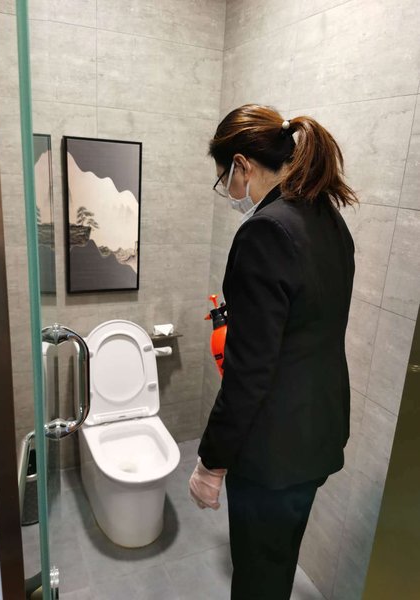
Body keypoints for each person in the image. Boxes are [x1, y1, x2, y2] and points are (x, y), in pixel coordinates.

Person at [189, 104, 356, 599]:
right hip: (317, 436)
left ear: (241, 165)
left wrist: (210, 462)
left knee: (257, 577)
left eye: (225, 179)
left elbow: (249, 372)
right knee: (278, 561)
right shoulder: (327, 219)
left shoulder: (266, 231)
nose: (229, 192)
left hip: (271, 451)